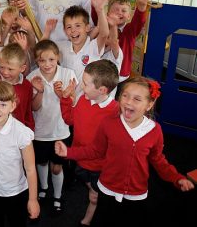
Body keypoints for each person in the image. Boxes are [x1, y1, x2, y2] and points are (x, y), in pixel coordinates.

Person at [55, 76, 195, 227]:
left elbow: (158, 160)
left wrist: (176, 178)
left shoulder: (155, 131)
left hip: (136, 194)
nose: (128, 101)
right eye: (125, 95)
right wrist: (68, 153)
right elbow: (95, 150)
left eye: (137, 99)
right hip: (107, 189)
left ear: (149, 105)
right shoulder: (109, 124)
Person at [59, 59, 120, 226]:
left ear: (102, 90)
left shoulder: (115, 112)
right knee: (89, 186)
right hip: (80, 161)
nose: (81, 86)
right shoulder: (83, 100)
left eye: (85, 84)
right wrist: (65, 100)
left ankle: (88, 218)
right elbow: (69, 119)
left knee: (94, 195)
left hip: (100, 167)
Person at [0, 80, 40, 227]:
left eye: (3, 105)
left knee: (17, 222)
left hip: (15, 193)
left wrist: (33, 199)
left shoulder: (21, 133)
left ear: (13, 106)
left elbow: (30, 169)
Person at [27, 39, 77, 211]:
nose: (47, 64)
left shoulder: (67, 73)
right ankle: (44, 187)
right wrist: (39, 91)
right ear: (36, 61)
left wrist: (64, 95)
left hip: (61, 132)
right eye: (41, 60)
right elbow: (33, 107)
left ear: (58, 57)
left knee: (56, 168)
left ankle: (57, 195)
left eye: (51, 59)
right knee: (41, 163)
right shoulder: (31, 77)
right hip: (40, 132)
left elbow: (75, 103)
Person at [53, 0, 110, 102]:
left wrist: (100, 10)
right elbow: (43, 52)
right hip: (66, 101)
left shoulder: (93, 47)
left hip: (87, 103)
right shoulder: (61, 47)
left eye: (78, 26)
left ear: (87, 27)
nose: (73, 30)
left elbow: (104, 34)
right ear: (64, 30)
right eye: (69, 27)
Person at [91, 0, 152, 81]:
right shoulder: (103, 27)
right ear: (107, 13)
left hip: (121, 76)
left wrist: (141, 6)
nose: (119, 13)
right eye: (116, 10)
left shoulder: (129, 30)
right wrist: (96, 4)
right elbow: (96, 17)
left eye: (123, 11)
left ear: (128, 16)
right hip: (102, 73)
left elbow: (139, 21)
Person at [0, 43, 35, 131]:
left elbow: (27, 111)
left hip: (19, 132)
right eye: (2, 67)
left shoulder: (27, 85)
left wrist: (30, 129)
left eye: (10, 69)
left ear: (22, 68)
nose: (5, 72)